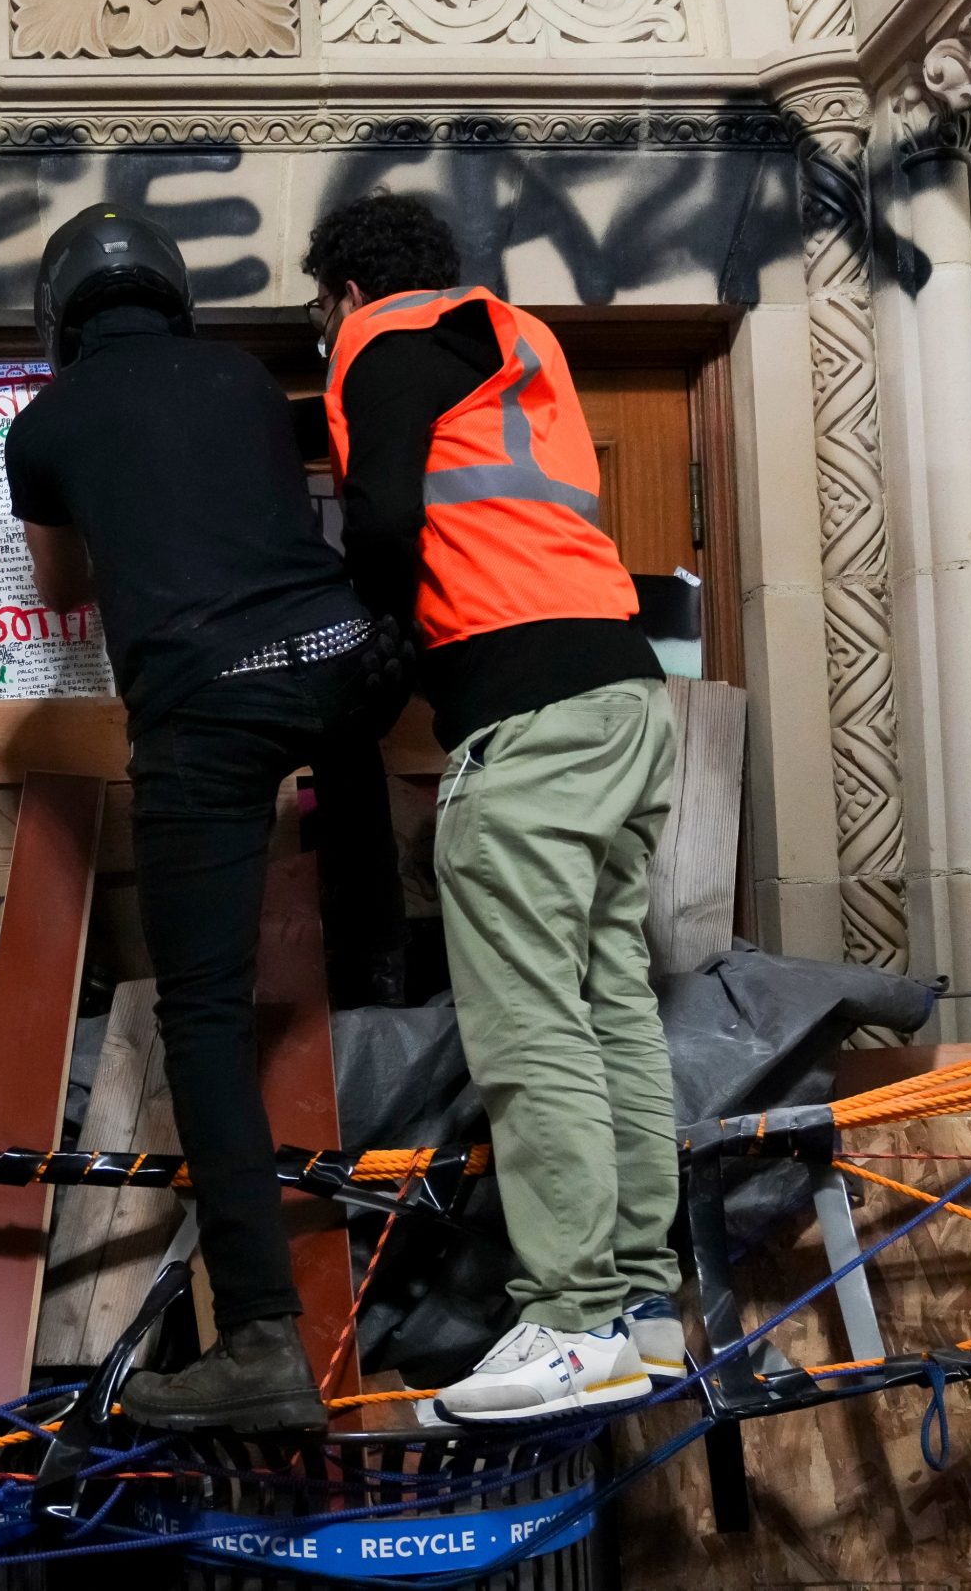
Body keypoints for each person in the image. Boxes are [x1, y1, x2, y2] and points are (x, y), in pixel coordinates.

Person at [6, 203, 407, 1432]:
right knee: (349, 793)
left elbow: (67, 588)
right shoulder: (240, 376)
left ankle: (261, 1341)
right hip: (349, 656)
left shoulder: (44, 423)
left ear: (62, 315)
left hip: (207, 703)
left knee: (205, 1015)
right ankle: (379, 965)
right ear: (172, 294)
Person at [300, 193, 684, 1422]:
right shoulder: (516, 343)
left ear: (346, 292)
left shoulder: (382, 343)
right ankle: (637, 1308)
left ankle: (568, 1319)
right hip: (625, 697)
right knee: (608, 1000)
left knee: (529, 1030)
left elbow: (383, 524)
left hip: (524, 724)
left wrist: (351, 649)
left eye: (320, 315)